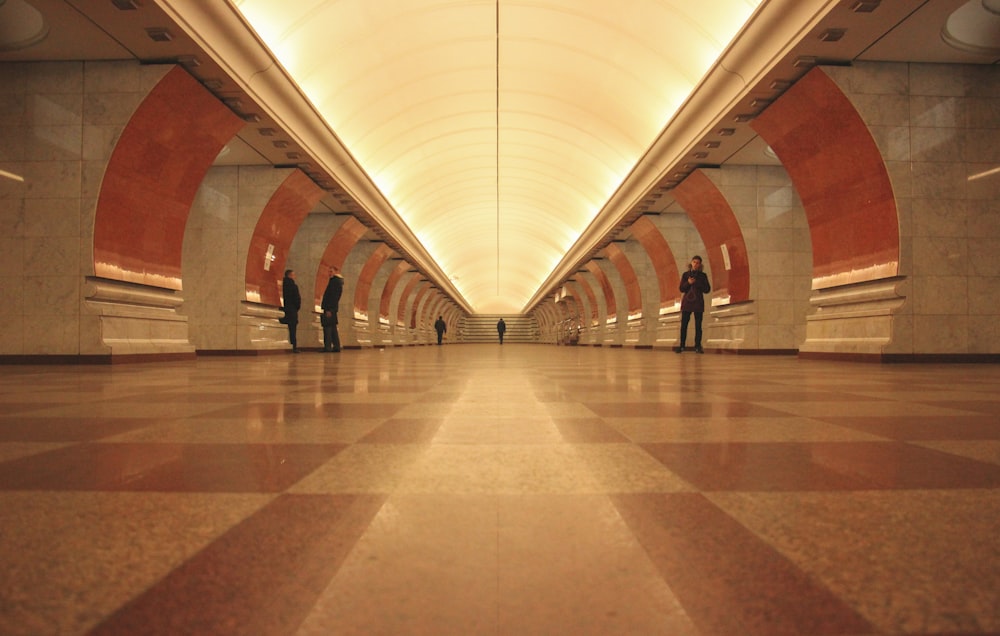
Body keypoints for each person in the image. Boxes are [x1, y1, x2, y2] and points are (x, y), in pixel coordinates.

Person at [676, 255, 711, 354]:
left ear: (700, 265)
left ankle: (697, 346)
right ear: (691, 263)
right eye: (694, 262)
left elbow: (707, 289)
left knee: (698, 325)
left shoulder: (703, 276)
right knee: (684, 325)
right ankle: (682, 346)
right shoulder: (685, 275)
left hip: (698, 303)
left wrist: (697, 283)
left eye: (698, 263)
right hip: (687, 303)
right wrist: (688, 282)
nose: (696, 264)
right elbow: (681, 289)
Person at [321, 266, 344, 353]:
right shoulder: (337, 281)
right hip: (332, 308)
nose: (329, 273)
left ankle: (327, 347)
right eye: (329, 271)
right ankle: (336, 346)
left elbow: (333, 297)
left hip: (330, 308)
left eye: (331, 271)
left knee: (327, 328)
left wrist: (329, 309)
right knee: (333, 328)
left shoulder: (334, 282)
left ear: (336, 271)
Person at [281, 269, 301, 353]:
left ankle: (288, 344)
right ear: (289, 275)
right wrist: (296, 308)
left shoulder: (282, 285)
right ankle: (293, 346)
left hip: (284, 309)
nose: (294, 277)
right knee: (292, 329)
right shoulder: (293, 286)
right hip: (292, 310)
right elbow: (297, 299)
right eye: (293, 275)